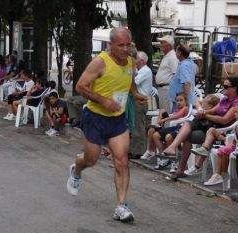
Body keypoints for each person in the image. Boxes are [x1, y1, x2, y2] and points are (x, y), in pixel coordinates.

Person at [66, 28, 147, 223]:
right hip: (95, 117)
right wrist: (104, 101)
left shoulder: (130, 62)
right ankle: (77, 170)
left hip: (117, 119)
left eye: (128, 44)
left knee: (121, 161)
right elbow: (80, 86)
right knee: (91, 160)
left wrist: (135, 94)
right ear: (111, 45)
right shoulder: (100, 62)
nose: (125, 49)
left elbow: (129, 81)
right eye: (120, 45)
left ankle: (121, 206)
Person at [160, 78, 238, 180]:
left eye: (226, 86)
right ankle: (174, 154)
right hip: (208, 126)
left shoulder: (236, 103)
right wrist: (202, 112)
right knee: (188, 126)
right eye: (223, 85)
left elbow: (224, 120)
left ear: (235, 88)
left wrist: (205, 115)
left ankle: (178, 162)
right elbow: (211, 110)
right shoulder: (224, 99)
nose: (223, 88)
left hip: (220, 131)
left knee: (187, 132)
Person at [149, 93, 189, 170]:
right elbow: (172, 116)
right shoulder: (177, 109)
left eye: (181, 100)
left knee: (168, 137)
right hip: (174, 127)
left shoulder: (186, 108)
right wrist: (162, 115)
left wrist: (164, 119)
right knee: (155, 135)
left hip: (182, 128)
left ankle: (174, 162)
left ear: (186, 101)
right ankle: (165, 158)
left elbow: (176, 116)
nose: (179, 102)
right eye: (177, 101)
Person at [130, 51, 153, 158]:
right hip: (138, 100)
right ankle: (134, 149)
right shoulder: (142, 70)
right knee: (135, 126)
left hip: (140, 101)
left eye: (136, 58)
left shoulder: (145, 71)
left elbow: (134, 81)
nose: (135, 60)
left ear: (142, 61)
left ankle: (138, 151)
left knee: (138, 127)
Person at [169, 44, 197, 110]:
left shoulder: (184, 65)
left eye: (176, 51)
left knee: (175, 119)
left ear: (180, 53)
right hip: (180, 100)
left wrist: (185, 102)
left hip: (181, 102)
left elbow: (187, 83)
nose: (175, 53)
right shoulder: (190, 63)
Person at [155, 35, 179, 113]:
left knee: (167, 112)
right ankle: (166, 125)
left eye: (162, 42)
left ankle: (168, 125)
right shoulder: (168, 56)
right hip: (164, 88)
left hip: (167, 89)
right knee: (164, 111)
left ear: (169, 45)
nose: (160, 44)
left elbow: (176, 74)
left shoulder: (172, 57)